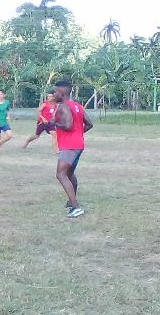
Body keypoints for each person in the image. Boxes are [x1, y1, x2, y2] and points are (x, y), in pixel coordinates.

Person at [51, 80, 93, 218]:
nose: (54, 93)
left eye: (56, 91)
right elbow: (89, 124)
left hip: (69, 146)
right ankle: (71, 201)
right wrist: (78, 134)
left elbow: (68, 125)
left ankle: (76, 207)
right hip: (78, 144)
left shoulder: (63, 106)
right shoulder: (77, 105)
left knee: (60, 174)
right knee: (69, 174)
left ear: (62, 93)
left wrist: (54, 123)